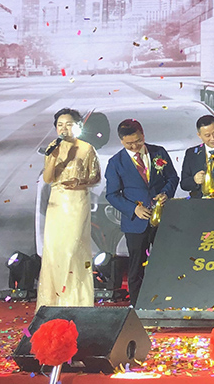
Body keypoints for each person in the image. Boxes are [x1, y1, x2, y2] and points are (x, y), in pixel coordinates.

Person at [104, 119, 179, 306]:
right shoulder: (116, 162)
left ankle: (168, 301)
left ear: (143, 135)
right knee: (136, 265)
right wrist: (134, 209)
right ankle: (138, 305)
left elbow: (172, 177)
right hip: (135, 223)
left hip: (162, 217)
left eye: (138, 141)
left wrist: (166, 193)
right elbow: (112, 194)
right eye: (129, 144)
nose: (135, 146)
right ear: (121, 141)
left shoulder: (158, 152)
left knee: (166, 260)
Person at [38, 108, 101, 309]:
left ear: (78, 126)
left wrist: (80, 182)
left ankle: (77, 301)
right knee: (55, 250)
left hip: (77, 201)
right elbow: (48, 178)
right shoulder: (52, 147)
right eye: (60, 125)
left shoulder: (87, 148)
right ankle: (53, 301)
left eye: (68, 124)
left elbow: (96, 177)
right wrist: (53, 156)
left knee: (73, 249)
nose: (64, 128)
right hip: (57, 203)